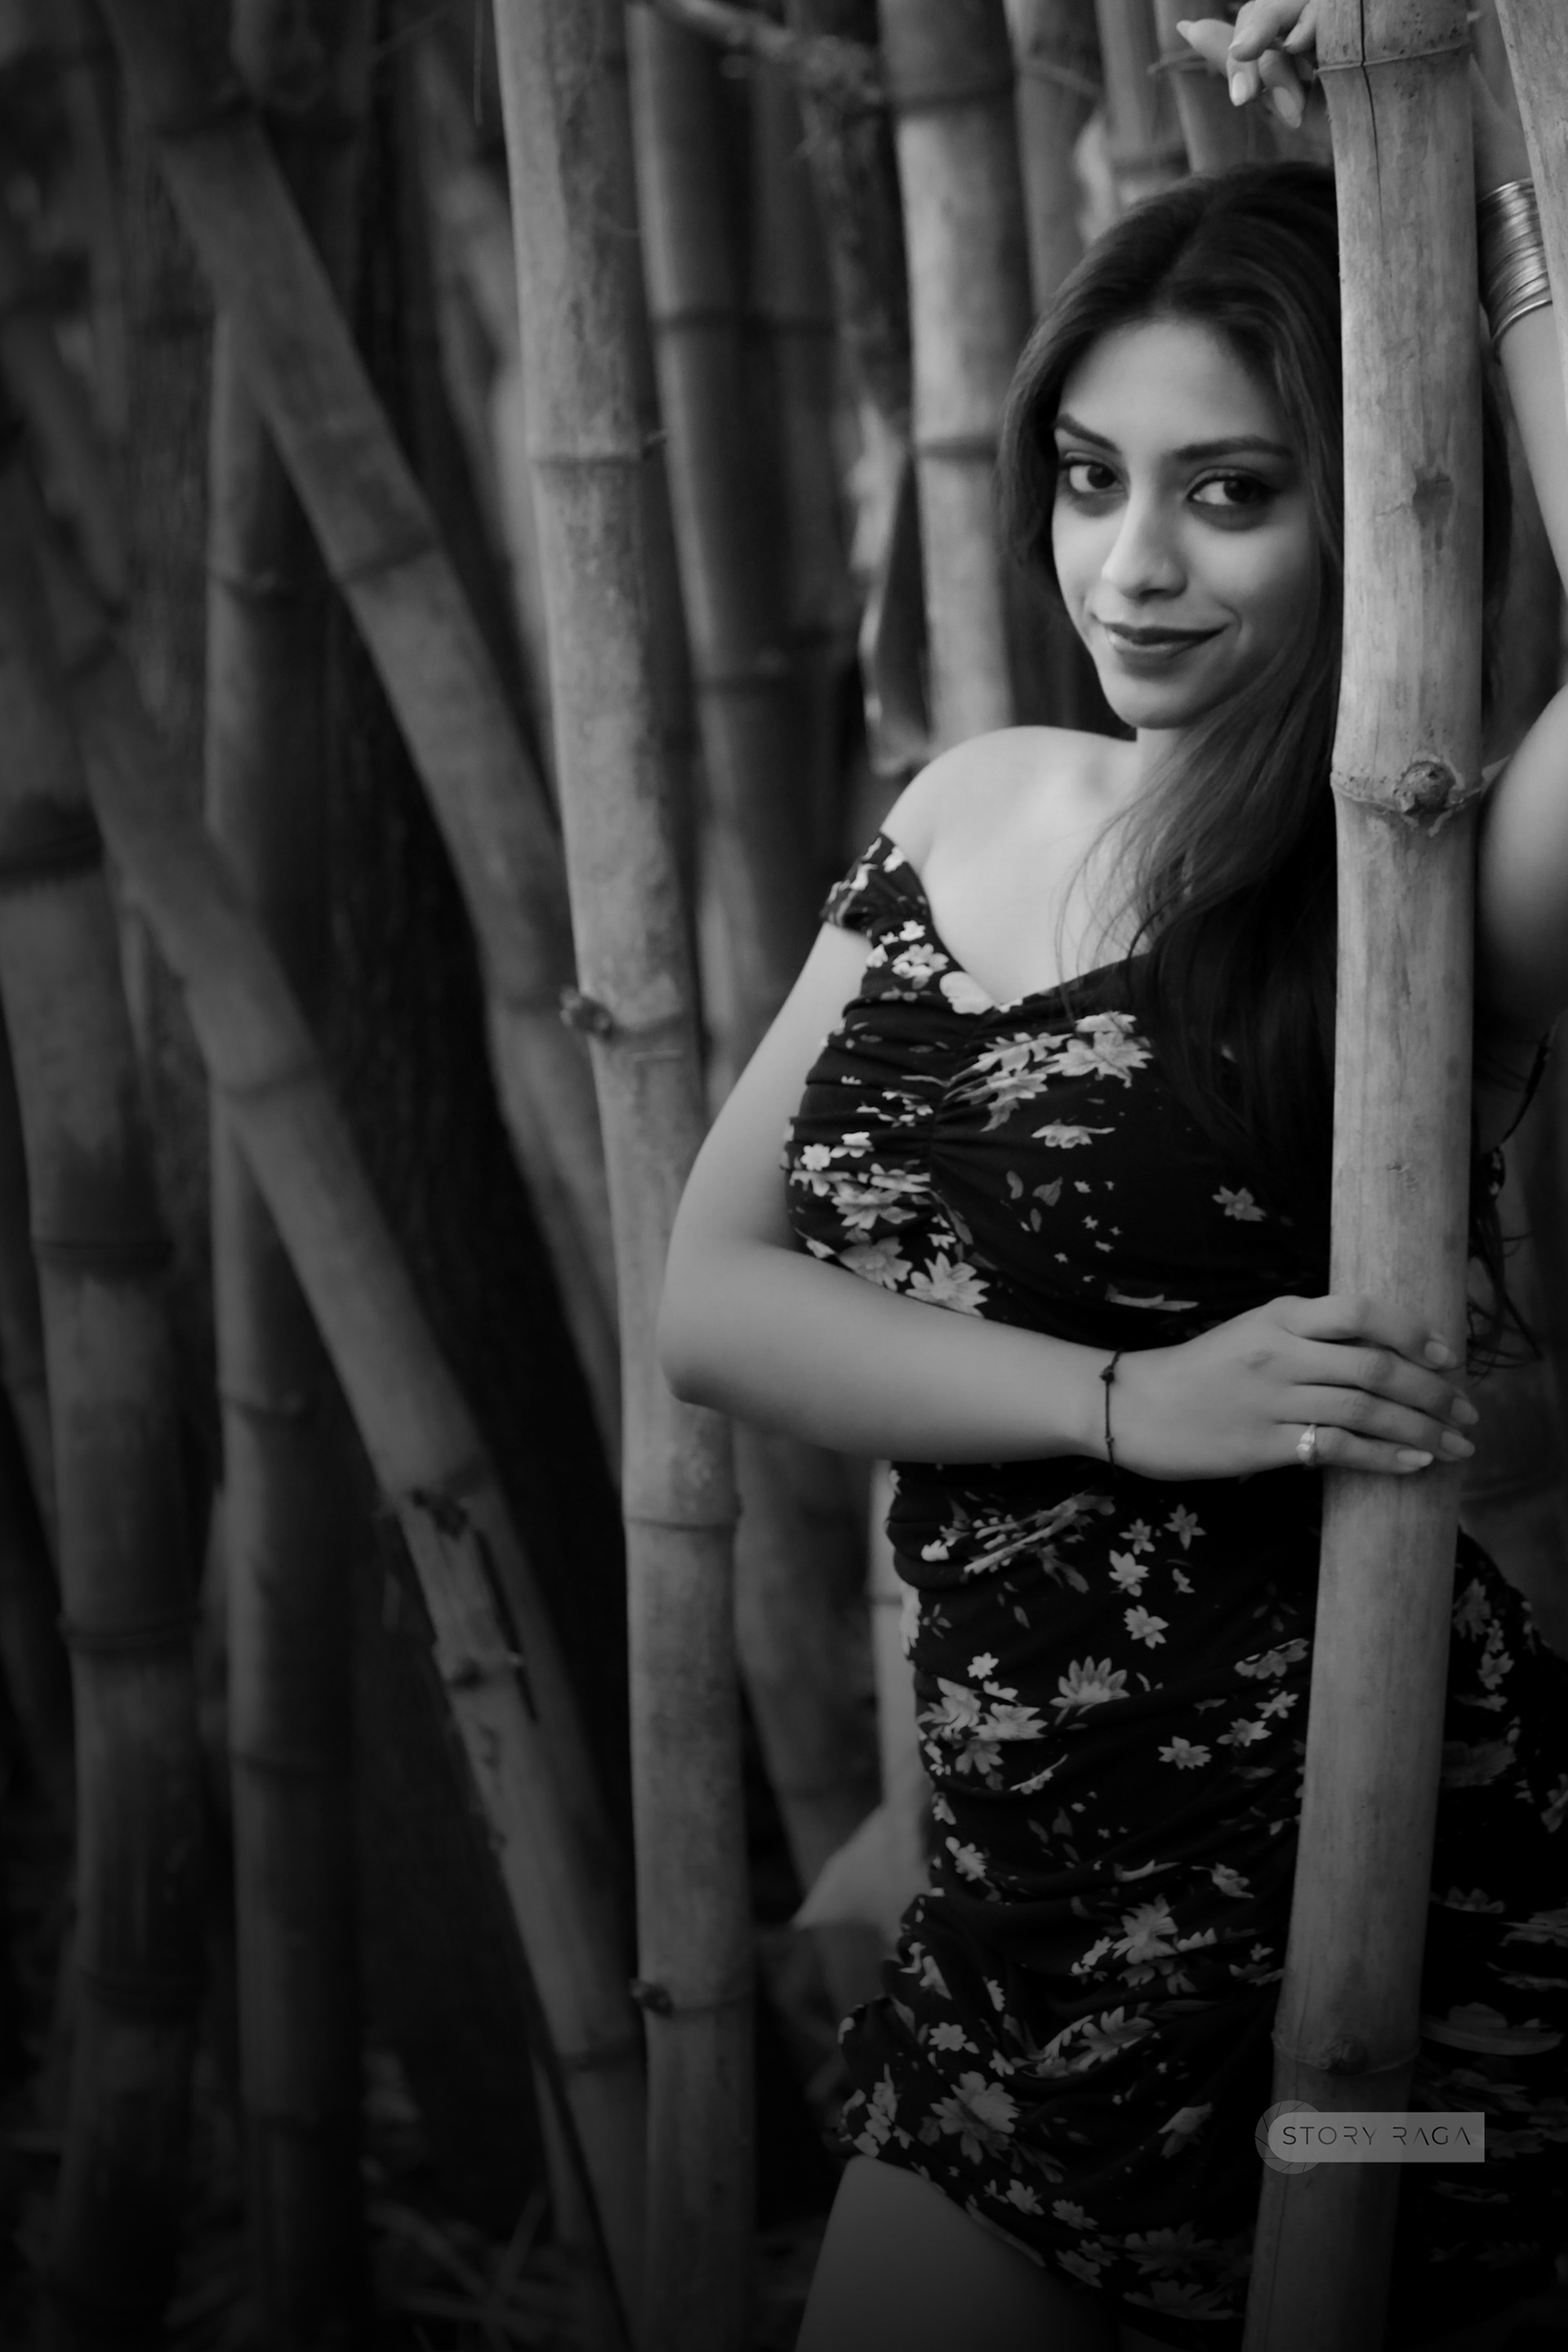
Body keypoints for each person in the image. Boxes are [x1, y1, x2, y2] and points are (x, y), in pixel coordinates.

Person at [657, 3, 1568, 2345]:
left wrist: (1472, 134)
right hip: (1034, 1939)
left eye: (1232, 491)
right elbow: (717, 1300)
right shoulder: (977, 802)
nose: (1133, 565)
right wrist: (1121, 1404)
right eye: (1089, 478)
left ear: (1381, 493)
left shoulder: (1423, 877)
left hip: (1390, 1975)